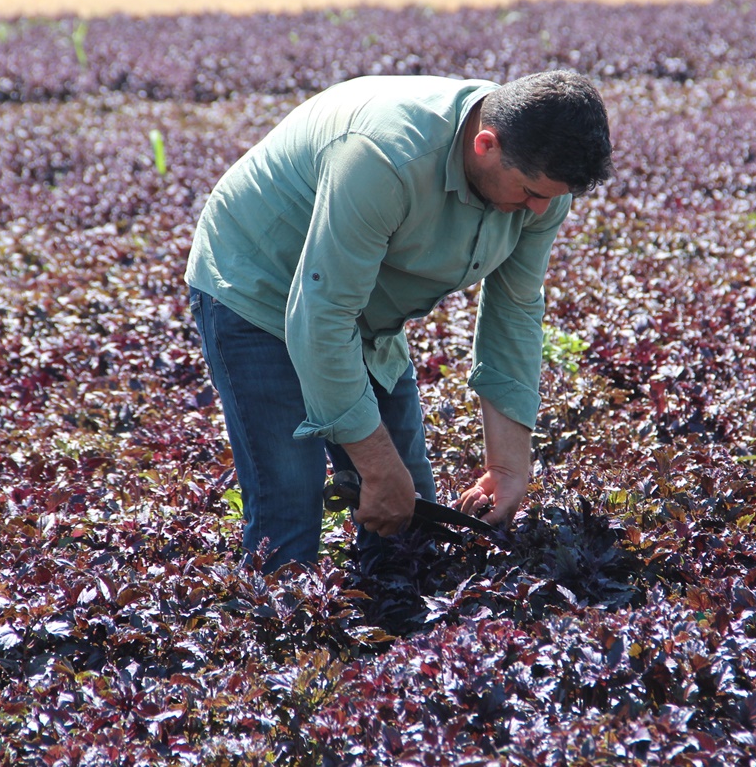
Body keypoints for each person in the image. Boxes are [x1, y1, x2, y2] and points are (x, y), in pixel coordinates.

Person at [186, 70, 613, 568]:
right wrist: (375, 464)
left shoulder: (542, 182)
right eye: (529, 192)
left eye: (553, 197)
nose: (540, 208)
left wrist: (508, 464)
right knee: (289, 506)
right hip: (257, 290)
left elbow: (514, 311)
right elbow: (323, 314)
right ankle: (280, 628)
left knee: (408, 522)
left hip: (356, 304)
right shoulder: (384, 157)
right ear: (485, 145)